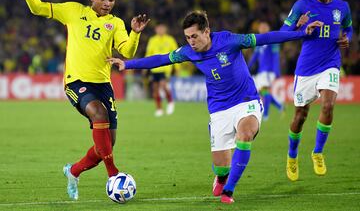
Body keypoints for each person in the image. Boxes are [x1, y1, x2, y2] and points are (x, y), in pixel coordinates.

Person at [107, 10, 322, 204]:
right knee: (221, 166)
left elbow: (267, 38)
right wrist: (128, 64)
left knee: (245, 135)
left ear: (207, 32)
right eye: (188, 37)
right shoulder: (188, 52)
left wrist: (301, 33)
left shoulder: (229, 40)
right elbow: (161, 59)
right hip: (219, 108)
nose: (191, 41)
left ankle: (229, 191)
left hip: (246, 101)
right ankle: (221, 177)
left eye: (195, 36)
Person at [4, 0, 150, 200]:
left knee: (106, 147)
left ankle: (72, 172)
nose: (106, 3)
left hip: (103, 85)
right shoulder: (73, 11)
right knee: (99, 115)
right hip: (76, 82)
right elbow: (38, 8)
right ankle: (113, 174)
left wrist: (135, 33)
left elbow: (128, 52)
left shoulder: (116, 24)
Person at [280, 0, 353, 182]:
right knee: (300, 116)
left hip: (331, 63)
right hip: (306, 69)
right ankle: (292, 155)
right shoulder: (302, 5)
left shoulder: (342, 7)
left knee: (329, 105)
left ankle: (318, 152)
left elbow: (349, 28)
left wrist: (347, 37)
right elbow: (282, 33)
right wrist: (301, 29)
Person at [248, 21, 284, 121]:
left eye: (265, 27)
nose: (262, 29)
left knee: (265, 91)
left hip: (269, 72)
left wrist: (277, 71)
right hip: (261, 72)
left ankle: (266, 115)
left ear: (268, 29)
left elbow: (276, 56)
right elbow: (254, 57)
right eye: (261, 28)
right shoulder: (259, 42)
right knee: (263, 92)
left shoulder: (272, 40)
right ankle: (279, 106)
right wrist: (247, 68)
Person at [144, 24, 178, 117]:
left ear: (165, 29)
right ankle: (159, 109)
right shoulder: (152, 40)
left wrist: (177, 68)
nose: (160, 30)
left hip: (166, 69)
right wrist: (145, 66)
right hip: (154, 69)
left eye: (162, 28)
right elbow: (148, 53)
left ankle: (170, 102)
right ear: (156, 29)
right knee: (155, 90)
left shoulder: (170, 40)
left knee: (163, 86)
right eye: (159, 28)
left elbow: (176, 54)